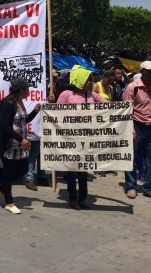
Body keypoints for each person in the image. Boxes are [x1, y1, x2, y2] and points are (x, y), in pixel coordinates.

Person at [57, 68, 108, 209]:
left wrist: (124, 108)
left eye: (90, 80)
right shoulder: (66, 94)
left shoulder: (91, 94)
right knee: (72, 170)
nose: (89, 83)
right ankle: (73, 198)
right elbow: (57, 114)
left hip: (87, 137)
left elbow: (107, 105)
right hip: (70, 137)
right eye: (86, 80)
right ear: (78, 79)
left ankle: (83, 198)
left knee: (84, 169)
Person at [0, 78, 41, 214]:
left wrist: (35, 112)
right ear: (21, 90)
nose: (29, 91)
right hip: (9, 144)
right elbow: (5, 127)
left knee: (22, 170)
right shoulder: (8, 104)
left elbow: (23, 121)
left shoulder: (19, 102)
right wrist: (21, 139)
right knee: (8, 173)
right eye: (27, 89)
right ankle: (9, 202)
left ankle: (3, 188)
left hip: (19, 145)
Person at [122, 61, 151, 200]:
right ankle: (131, 187)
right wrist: (131, 129)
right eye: (149, 71)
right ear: (142, 72)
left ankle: (149, 188)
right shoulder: (132, 88)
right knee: (131, 158)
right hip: (136, 125)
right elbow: (126, 110)